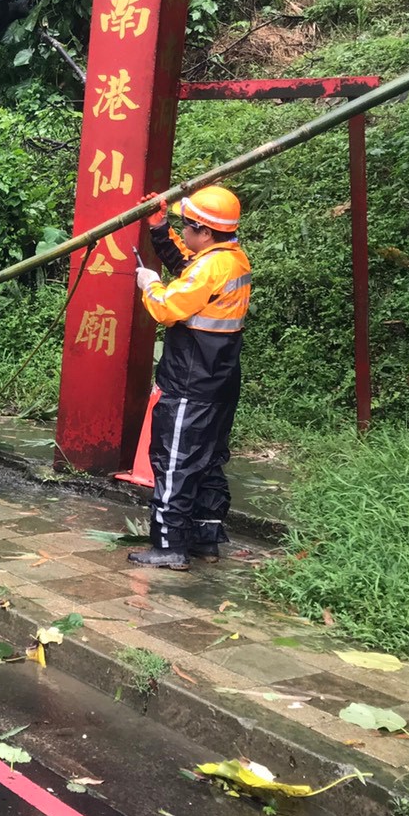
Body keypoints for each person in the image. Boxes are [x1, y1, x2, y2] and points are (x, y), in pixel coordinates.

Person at [129, 185, 250, 570]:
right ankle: (205, 540)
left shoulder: (212, 266)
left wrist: (149, 285)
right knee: (209, 460)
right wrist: (159, 229)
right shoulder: (232, 259)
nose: (184, 233)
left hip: (190, 382)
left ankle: (169, 547)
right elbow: (188, 268)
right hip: (220, 378)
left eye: (186, 226)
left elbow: (167, 308)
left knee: (175, 461)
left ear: (206, 232)